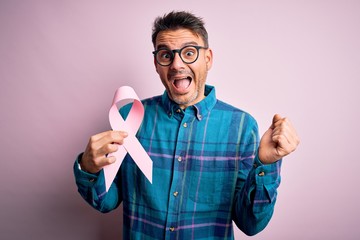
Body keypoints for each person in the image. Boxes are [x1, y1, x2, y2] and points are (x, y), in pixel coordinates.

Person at [73, 11, 300, 239]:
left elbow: (251, 224)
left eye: (189, 53)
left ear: (208, 59)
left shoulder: (241, 126)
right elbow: (106, 201)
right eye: (165, 55)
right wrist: (89, 168)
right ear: (156, 63)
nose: (177, 65)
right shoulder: (130, 117)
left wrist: (266, 165)